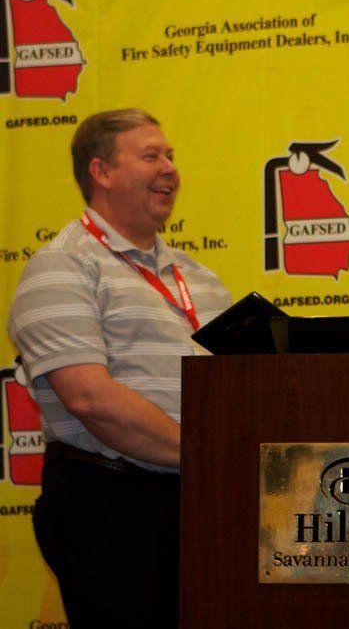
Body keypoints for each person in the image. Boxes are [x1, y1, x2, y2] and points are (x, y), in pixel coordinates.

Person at [7, 109, 231, 627]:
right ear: (101, 172)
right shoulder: (61, 266)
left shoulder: (199, 278)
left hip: (203, 500)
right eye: (151, 155)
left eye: (171, 156)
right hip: (112, 507)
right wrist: (215, 456)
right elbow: (90, 399)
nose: (171, 168)